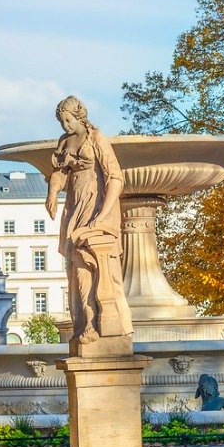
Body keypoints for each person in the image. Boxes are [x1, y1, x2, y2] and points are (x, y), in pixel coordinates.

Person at [47, 95, 133, 356]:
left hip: (96, 204)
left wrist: (103, 215)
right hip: (75, 205)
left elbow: (115, 177)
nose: (64, 125)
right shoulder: (65, 142)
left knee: (89, 261)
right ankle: (85, 322)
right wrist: (52, 192)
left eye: (68, 120)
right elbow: (60, 172)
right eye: (61, 121)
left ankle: (97, 323)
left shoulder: (97, 139)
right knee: (74, 266)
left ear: (79, 116)